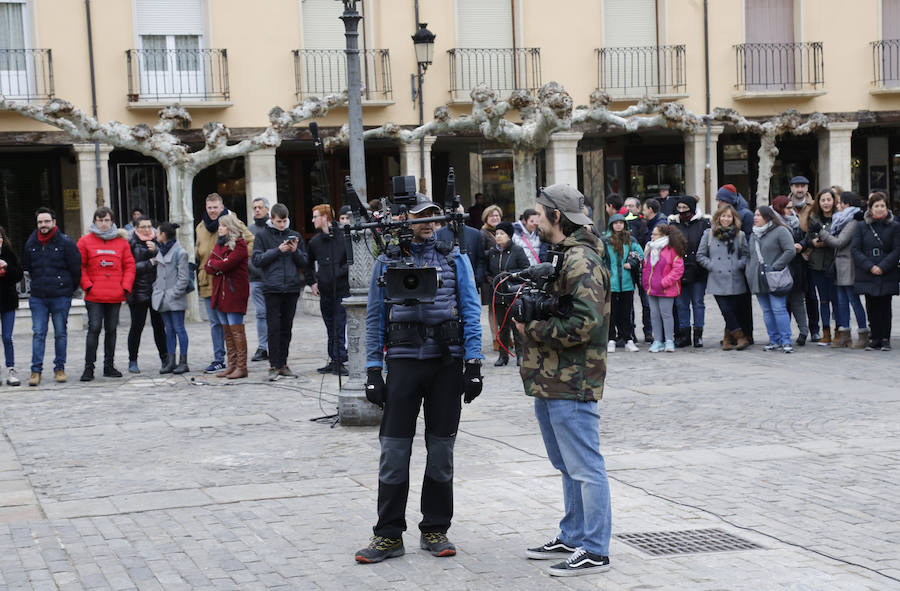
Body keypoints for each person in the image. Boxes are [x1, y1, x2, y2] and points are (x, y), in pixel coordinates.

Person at [356, 193, 483, 564]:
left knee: (441, 450)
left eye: (433, 218)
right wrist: (372, 370)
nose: (427, 224)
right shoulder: (386, 260)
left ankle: (435, 528)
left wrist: (473, 364)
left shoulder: (454, 258)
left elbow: (471, 309)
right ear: (404, 220)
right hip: (403, 361)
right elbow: (375, 318)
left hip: (446, 363)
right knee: (394, 452)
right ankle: (388, 534)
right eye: (419, 217)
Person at [511, 184, 612, 577]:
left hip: (573, 380)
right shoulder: (566, 255)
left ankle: (595, 549)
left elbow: (586, 323)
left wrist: (532, 328)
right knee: (567, 465)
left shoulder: (581, 260)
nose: (534, 220)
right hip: (552, 378)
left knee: (586, 466)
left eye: (539, 213)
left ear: (557, 217)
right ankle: (573, 534)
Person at [22, 207, 81, 386]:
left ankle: (60, 368)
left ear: (54, 222)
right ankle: (35, 371)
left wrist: (68, 289)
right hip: (38, 296)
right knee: (38, 334)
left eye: (46, 221)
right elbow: (28, 267)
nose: (43, 225)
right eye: (40, 222)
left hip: (60, 296)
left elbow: (75, 268)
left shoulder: (65, 242)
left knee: (60, 334)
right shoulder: (31, 243)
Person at [196, 193, 254, 374]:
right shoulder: (200, 227)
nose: (212, 211)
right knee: (217, 323)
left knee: (232, 323)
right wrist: (215, 265)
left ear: (221, 207)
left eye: (215, 207)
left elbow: (248, 243)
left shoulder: (234, 225)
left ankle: (238, 365)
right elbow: (205, 258)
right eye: (209, 208)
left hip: (229, 282)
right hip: (209, 280)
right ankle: (221, 360)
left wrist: (233, 262)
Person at [77, 207, 136, 381]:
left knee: (111, 330)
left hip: (115, 294)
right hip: (94, 294)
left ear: (112, 222)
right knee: (94, 329)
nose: (103, 223)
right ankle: (89, 368)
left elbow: (130, 266)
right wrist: (87, 286)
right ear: (94, 221)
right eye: (100, 220)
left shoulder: (122, 242)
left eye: (107, 220)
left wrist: (124, 287)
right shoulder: (85, 241)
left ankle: (109, 366)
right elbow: (78, 266)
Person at [251, 203, 308, 381]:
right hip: (272, 288)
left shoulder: (295, 235)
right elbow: (257, 259)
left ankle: (283, 364)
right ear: (271, 219)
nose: (282, 225)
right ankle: (273, 365)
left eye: (284, 221)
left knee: (287, 328)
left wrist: (294, 250)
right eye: (278, 221)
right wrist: (278, 250)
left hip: (291, 287)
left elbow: (304, 262)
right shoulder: (262, 235)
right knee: (274, 328)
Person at [850, 192, 900, 351]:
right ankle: (875, 338)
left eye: (882, 206)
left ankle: (885, 338)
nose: (879, 209)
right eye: (876, 206)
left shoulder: (895, 226)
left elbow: (897, 250)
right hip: (868, 271)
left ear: (887, 207)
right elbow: (855, 249)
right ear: (870, 208)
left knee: (885, 306)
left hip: (887, 271)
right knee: (871, 305)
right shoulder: (861, 226)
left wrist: (882, 266)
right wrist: (870, 266)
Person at [697, 205, 750, 350]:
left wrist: (738, 264)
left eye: (729, 216)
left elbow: (746, 255)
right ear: (718, 217)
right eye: (723, 216)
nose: (726, 219)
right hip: (717, 278)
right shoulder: (709, 233)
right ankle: (740, 337)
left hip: (735, 278)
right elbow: (700, 255)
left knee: (731, 311)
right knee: (725, 310)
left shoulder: (740, 235)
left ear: (734, 218)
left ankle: (727, 340)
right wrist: (712, 265)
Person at [306, 204, 350, 376]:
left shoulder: (343, 238)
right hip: (325, 290)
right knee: (330, 326)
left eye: (316, 216)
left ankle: (340, 359)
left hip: (341, 288)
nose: (313, 220)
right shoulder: (315, 242)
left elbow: (350, 261)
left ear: (325, 217)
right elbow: (307, 262)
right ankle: (333, 359)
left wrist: (339, 272)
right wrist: (312, 282)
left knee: (339, 325)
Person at [820, 192, 868, 348]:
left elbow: (839, 242)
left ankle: (863, 334)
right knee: (841, 302)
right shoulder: (841, 220)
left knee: (854, 301)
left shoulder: (853, 222)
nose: (837, 206)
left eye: (840, 203)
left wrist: (821, 233)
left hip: (848, 266)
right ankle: (844, 334)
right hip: (839, 266)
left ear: (847, 205)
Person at [205, 214, 250, 379]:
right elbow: (208, 266)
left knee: (236, 330)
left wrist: (218, 265)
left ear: (230, 227)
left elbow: (227, 264)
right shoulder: (219, 244)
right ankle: (231, 365)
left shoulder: (240, 245)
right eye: (219, 226)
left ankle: (241, 366)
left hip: (234, 292)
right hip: (220, 292)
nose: (220, 228)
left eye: (223, 226)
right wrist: (219, 265)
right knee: (227, 331)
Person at [746, 206, 796, 353]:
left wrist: (776, 266)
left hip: (775, 277)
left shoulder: (780, 231)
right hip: (758, 277)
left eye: (759, 215)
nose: (755, 218)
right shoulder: (754, 234)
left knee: (778, 308)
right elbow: (749, 255)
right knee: (767, 310)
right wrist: (749, 272)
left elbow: (790, 250)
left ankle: (786, 340)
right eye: (755, 215)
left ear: (768, 217)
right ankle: (774, 340)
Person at [126, 216, 167, 373]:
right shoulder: (130, 242)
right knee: (137, 326)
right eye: (143, 226)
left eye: (149, 226)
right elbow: (129, 267)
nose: (147, 229)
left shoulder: (157, 240)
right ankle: (133, 360)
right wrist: (149, 263)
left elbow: (166, 259)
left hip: (156, 290)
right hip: (137, 291)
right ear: (136, 228)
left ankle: (165, 359)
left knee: (159, 327)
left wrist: (156, 251)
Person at [670, 196, 710, 348]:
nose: (682, 211)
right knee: (681, 304)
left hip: (698, 269)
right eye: (679, 208)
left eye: (684, 208)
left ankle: (698, 334)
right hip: (679, 270)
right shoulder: (673, 225)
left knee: (698, 303)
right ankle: (684, 334)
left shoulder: (703, 224)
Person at [487, 221, 529, 366]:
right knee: (502, 326)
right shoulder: (492, 252)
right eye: (497, 233)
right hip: (498, 294)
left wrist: (509, 275)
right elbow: (488, 270)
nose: (498, 236)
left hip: (514, 294)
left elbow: (525, 269)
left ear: (509, 236)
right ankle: (503, 356)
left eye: (502, 233)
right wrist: (489, 278)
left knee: (516, 325)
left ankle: (520, 355)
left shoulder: (517, 250)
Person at [152, 222, 190, 374]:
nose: (155, 234)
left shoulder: (180, 253)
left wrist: (172, 294)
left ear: (163, 235)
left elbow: (183, 279)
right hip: (162, 297)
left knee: (179, 329)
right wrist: (157, 290)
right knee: (169, 330)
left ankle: (183, 362)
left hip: (174, 298)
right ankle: (171, 361)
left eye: (158, 232)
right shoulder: (160, 251)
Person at [772, 196, 810, 346]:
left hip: (796, 267)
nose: (791, 210)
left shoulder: (795, 222)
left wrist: (801, 245)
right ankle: (783, 334)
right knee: (781, 304)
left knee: (798, 302)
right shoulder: (772, 224)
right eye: (787, 207)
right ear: (779, 209)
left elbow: (805, 238)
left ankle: (804, 332)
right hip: (780, 269)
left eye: (791, 207)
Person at [642, 224, 685, 353]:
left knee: (666, 315)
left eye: (654, 234)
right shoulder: (650, 248)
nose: (652, 236)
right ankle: (658, 340)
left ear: (662, 236)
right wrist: (645, 281)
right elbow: (646, 267)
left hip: (666, 289)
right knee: (654, 315)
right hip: (652, 288)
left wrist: (665, 282)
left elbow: (678, 269)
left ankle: (669, 340)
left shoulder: (671, 250)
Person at [790, 176, 822, 342]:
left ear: (807, 187)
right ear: (791, 188)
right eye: (796, 186)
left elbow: (814, 230)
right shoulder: (785, 205)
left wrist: (804, 246)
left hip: (809, 253)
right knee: (789, 294)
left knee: (811, 295)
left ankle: (815, 329)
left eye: (803, 186)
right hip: (790, 254)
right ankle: (785, 332)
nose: (799, 189)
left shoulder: (814, 206)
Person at [603, 214, 642, 353]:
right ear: (611, 225)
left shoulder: (631, 240)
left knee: (627, 313)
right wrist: (605, 270)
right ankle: (611, 339)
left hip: (627, 282)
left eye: (621, 223)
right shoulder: (605, 241)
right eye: (616, 223)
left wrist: (632, 263)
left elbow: (639, 254)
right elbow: (599, 257)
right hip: (611, 283)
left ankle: (628, 339)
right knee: (611, 312)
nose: (618, 225)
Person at [805, 188, 838, 345]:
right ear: (818, 202)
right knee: (823, 300)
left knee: (836, 299)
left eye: (828, 199)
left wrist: (825, 240)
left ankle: (840, 331)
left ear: (834, 201)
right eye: (823, 200)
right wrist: (814, 242)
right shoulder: (813, 218)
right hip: (817, 264)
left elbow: (837, 239)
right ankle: (826, 332)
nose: (826, 203)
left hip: (835, 264)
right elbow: (809, 239)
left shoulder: (839, 218)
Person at [436, 206, 485, 298]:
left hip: (470, 282)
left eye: (458, 213)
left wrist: (477, 279)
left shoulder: (475, 234)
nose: (455, 217)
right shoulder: (438, 234)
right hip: (446, 286)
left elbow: (480, 260)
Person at [624, 197, 651, 342]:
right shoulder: (621, 222)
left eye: (632, 206)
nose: (629, 208)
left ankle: (649, 331)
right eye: (626, 206)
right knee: (629, 303)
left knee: (646, 301)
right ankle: (631, 332)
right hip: (627, 267)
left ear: (638, 208)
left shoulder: (643, 224)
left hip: (642, 267)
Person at [0, 225, 24, 385]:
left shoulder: (9, 254)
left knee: (7, 337)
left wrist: (6, 267)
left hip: (8, 301)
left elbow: (18, 276)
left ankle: (10, 369)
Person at [248, 197, 270, 362]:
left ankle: (275, 346)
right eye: (254, 207)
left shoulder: (272, 229)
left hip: (273, 279)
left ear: (267, 209)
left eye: (260, 207)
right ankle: (263, 347)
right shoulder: (249, 231)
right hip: (256, 278)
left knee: (275, 314)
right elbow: (248, 257)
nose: (257, 210)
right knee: (261, 314)